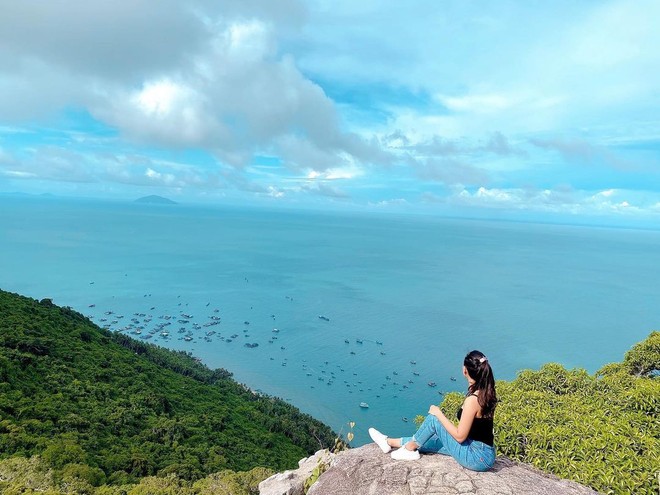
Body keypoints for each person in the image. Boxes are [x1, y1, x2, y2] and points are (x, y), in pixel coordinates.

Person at [368, 350, 497, 472]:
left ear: (465, 371)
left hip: (476, 457)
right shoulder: (487, 393)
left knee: (433, 419)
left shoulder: (473, 400)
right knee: (432, 438)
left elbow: (460, 436)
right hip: (483, 452)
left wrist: (439, 413)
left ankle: (408, 449)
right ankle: (388, 442)